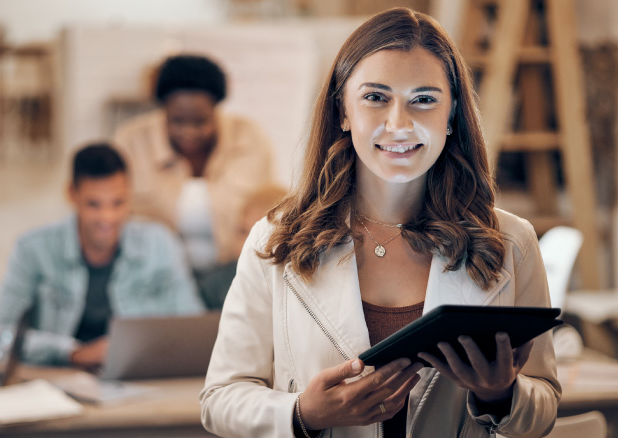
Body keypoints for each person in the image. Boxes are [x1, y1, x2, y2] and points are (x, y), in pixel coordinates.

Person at [200, 8, 560, 438]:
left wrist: (501, 396)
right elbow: (220, 399)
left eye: (424, 99)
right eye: (375, 97)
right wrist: (303, 414)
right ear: (343, 111)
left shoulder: (512, 242)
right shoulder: (276, 240)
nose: (398, 124)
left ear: (452, 116)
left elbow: (544, 404)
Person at [0, 143, 204, 370]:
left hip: (141, 378)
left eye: (118, 203)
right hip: (60, 377)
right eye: (94, 205)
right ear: (72, 194)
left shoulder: (161, 244)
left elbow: (192, 331)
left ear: (130, 193)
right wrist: (72, 352)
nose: (107, 218)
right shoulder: (33, 248)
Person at [113, 54, 274, 273]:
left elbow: (269, 211)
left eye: (200, 122)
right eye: (177, 121)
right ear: (163, 110)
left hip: (235, 271)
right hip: (154, 274)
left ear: (216, 108)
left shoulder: (249, 138)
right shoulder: (131, 142)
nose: (188, 132)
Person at [198, 183, 287, 310]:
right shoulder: (214, 286)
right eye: (243, 232)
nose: (250, 244)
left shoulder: (298, 288)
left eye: (262, 237)